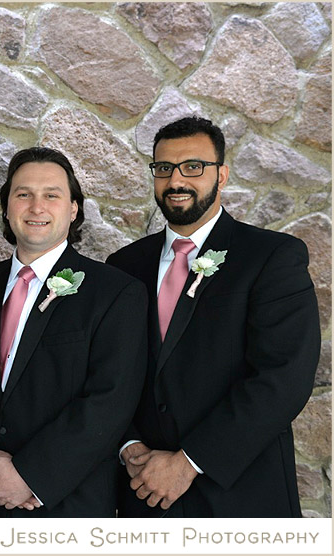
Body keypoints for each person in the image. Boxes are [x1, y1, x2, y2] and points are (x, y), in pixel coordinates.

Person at [107, 116, 320, 517]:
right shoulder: (124, 264)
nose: (176, 181)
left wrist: (188, 462)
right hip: (144, 492)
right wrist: (129, 446)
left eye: (193, 167)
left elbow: (283, 378)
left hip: (239, 496)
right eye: (164, 169)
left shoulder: (271, 257)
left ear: (221, 175)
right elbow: (111, 371)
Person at [0, 147, 148, 517]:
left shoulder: (114, 292)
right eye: (23, 194)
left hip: (68, 504)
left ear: (74, 208)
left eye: (52, 195)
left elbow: (110, 400)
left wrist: (30, 475)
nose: (36, 207)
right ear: (7, 206)